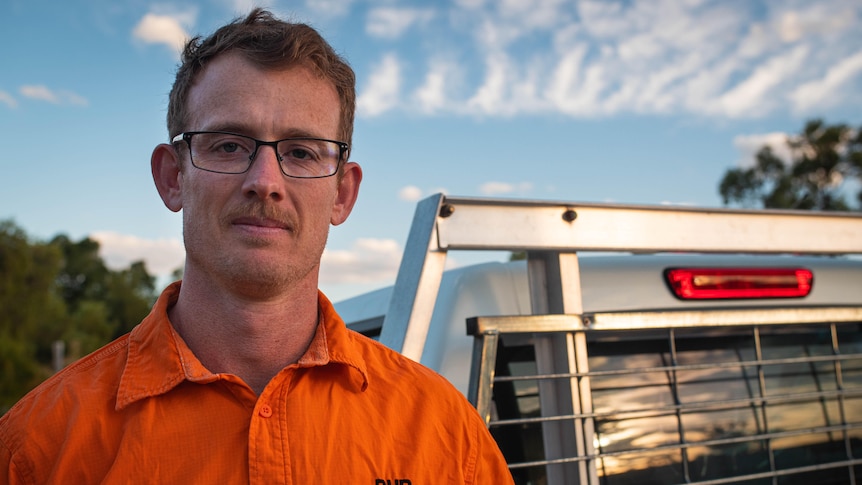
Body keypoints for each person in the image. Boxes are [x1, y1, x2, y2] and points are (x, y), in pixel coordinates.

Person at [0, 9, 514, 484]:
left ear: (343, 192)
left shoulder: (447, 437)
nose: (264, 181)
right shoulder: (37, 449)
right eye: (229, 145)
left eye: (301, 151)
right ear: (172, 177)